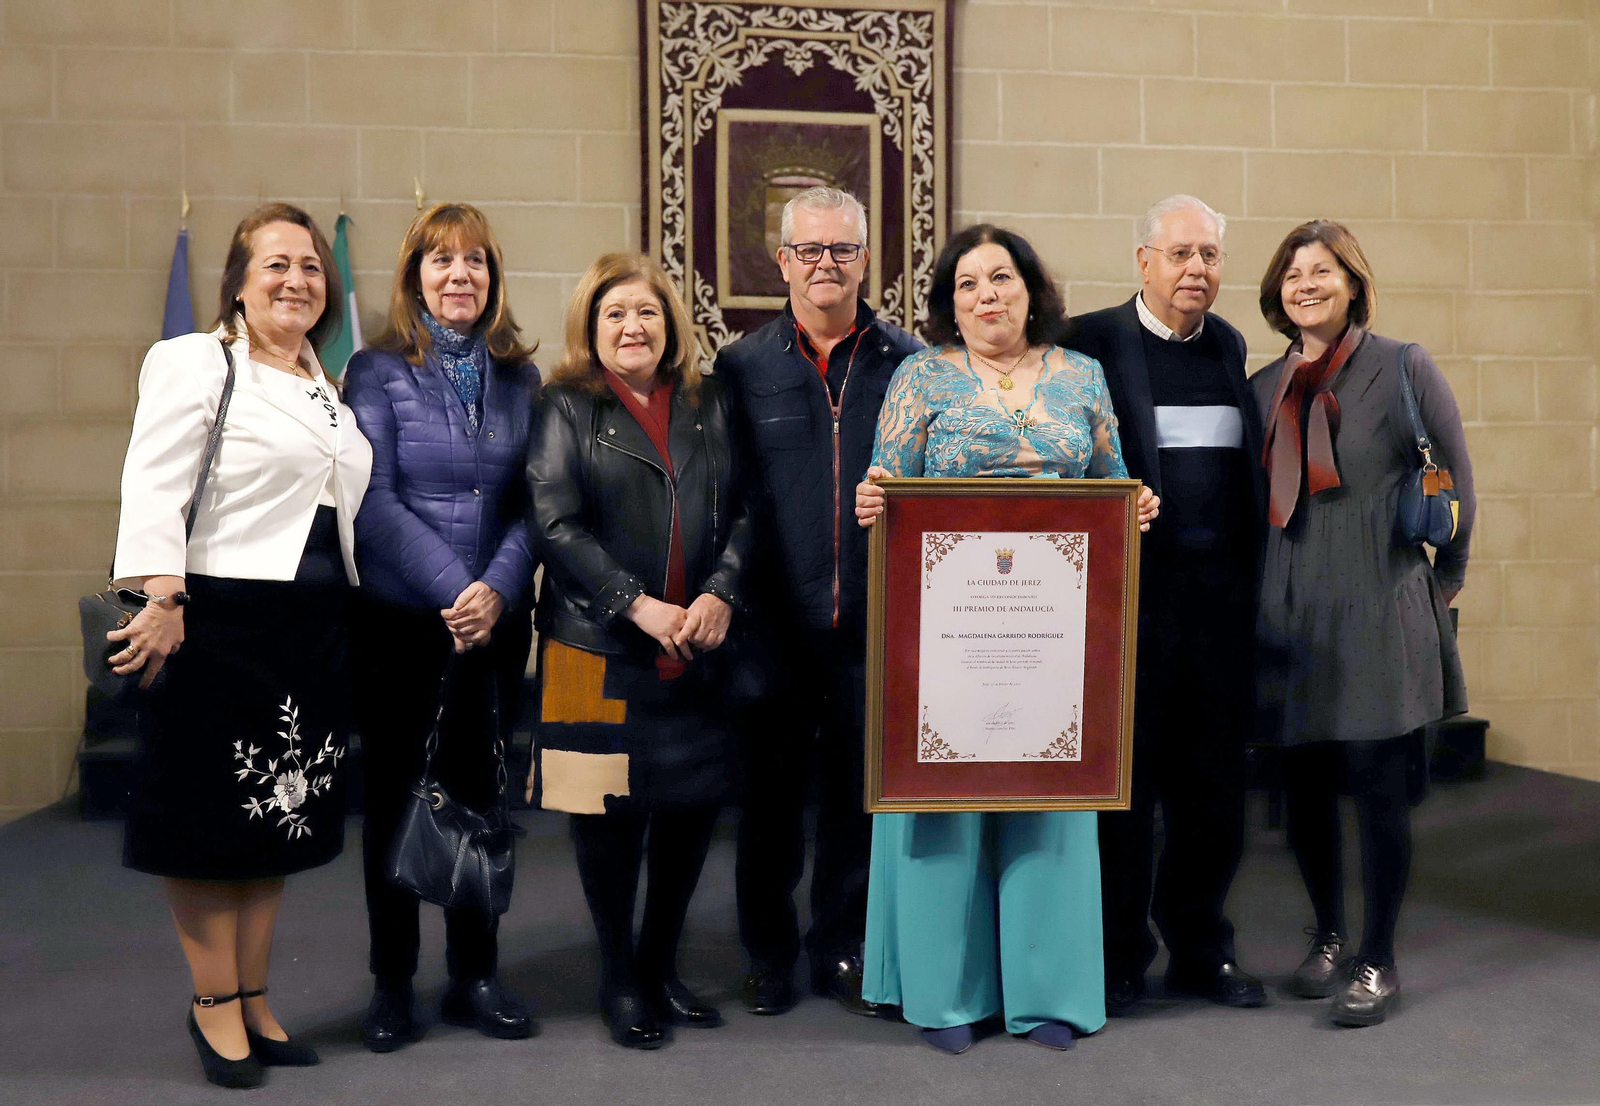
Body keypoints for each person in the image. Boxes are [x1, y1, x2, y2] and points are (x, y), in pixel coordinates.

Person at [854, 225, 1158, 1054]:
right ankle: (945, 995)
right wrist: (874, 501)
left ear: (1031, 286)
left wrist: (1134, 509)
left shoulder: (1084, 376)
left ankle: (1047, 992)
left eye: (1001, 277)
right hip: (946, 628)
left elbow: (1109, 483)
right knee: (943, 794)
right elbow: (886, 482)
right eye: (966, 285)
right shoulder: (919, 376)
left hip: (1053, 632)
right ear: (950, 304)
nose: (986, 295)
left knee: (1052, 797)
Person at [109, 203, 372, 1089]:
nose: (298, 278)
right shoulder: (195, 361)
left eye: (309, 265)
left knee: (275, 820)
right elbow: (153, 479)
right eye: (276, 265)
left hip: (310, 630)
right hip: (217, 618)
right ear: (239, 280)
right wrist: (163, 594)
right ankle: (213, 1005)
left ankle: (255, 995)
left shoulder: (321, 381)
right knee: (205, 825)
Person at [526, 253, 752, 1049]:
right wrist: (638, 605)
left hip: (696, 647)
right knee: (607, 826)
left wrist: (720, 591)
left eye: (648, 313)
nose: (633, 327)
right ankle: (619, 977)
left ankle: (661, 967)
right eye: (616, 313)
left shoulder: (707, 401)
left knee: (689, 817)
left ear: (670, 326)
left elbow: (746, 512)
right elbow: (554, 525)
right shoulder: (563, 406)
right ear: (592, 327)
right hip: (592, 651)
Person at [1252, 220, 1474, 1027]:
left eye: (1322, 271)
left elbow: (1456, 481)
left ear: (1353, 284)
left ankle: (1378, 958)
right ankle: (1328, 936)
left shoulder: (1402, 365)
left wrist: (1440, 588)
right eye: (1292, 274)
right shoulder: (1263, 383)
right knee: (1304, 788)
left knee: (1379, 791)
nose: (1305, 284)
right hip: (1291, 613)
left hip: (1379, 605)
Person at [713, 186, 921, 1016]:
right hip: (770, 624)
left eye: (843, 250)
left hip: (870, 625)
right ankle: (768, 954)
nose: (826, 264)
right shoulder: (743, 366)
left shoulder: (908, 364)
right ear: (783, 262)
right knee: (766, 805)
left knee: (852, 800)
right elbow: (728, 498)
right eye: (810, 250)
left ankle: (841, 945)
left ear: (867, 259)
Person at [1063, 195, 1268, 1013]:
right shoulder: (1091, 341)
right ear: (1143, 261)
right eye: (1181, 254)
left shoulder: (1228, 345)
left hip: (1219, 612)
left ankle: (1200, 947)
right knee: (1127, 790)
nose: (1197, 270)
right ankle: (1119, 956)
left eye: (1211, 256)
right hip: (1128, 610)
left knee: (1213, 788)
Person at [344, 203, 539, 1051]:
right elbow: (372, 501)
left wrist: (494, 591)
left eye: (475, 261)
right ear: (414, 274)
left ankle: (475, 974)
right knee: (395, 801)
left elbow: (536, 505)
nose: (459, 275)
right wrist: (457, 589)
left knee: (480, 794)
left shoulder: (521, 378)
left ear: (494, 278)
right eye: (441, 260)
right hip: (404, 624)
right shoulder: (376, 368)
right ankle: (393, 982)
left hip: (493, 623)